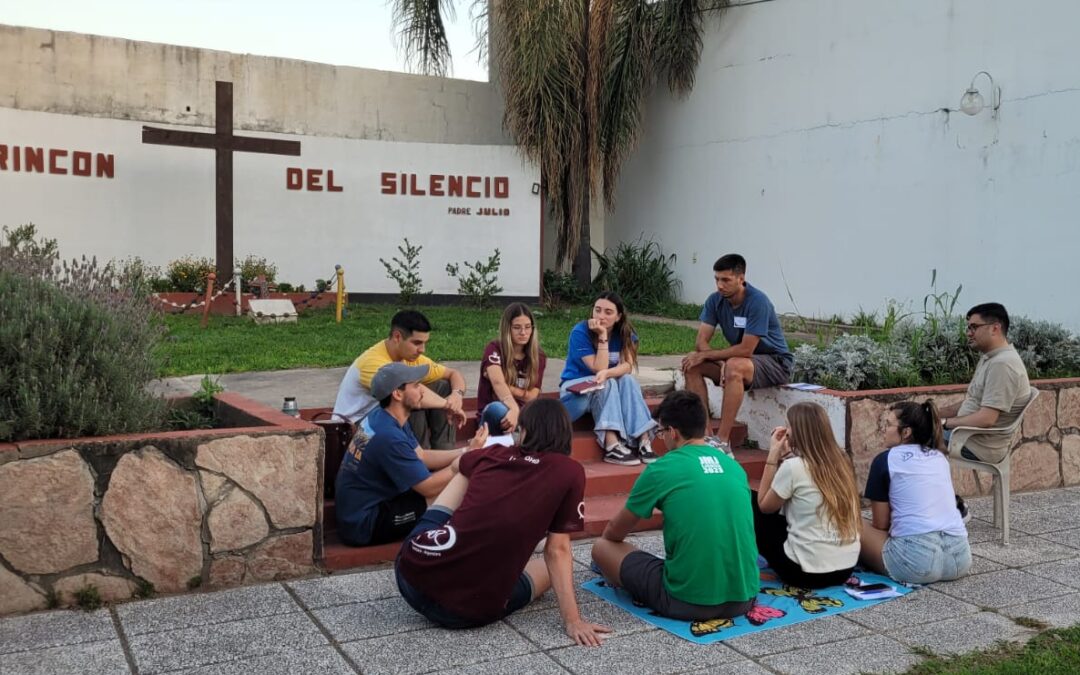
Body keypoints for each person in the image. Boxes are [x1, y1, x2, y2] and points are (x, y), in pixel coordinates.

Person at [396, 399, 610, 645]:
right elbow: (558, 550)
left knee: (468, 470)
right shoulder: (569, 471)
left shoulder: (490, 455)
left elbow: (458, 465)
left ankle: (453, 534)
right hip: (468, 611)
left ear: (525, 431)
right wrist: (573, 621)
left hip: (411, 574)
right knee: (548, 569)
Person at [591, 390, 759, 620]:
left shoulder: (662, 468)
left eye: (661, 432)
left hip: (686, 600)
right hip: (744, 597)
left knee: (602, 548)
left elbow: (614, 532)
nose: (662, 439)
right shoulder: (734, 467)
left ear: (673, 432)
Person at [335, 363, 488, 547]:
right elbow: (428, 488)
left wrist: (466, 450)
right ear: (397, 394)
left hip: (360, 511)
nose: (422, 391)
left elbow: (421, 456)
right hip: (366, 524)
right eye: (416, 386)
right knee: (456, 487)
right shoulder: (389, 437)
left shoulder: (384, 416)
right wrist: (464, 461)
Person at [681, 254, 793, 451]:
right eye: (717, 279)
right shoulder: (715, 301)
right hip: (740, 362)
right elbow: (701, 341)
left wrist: (718, 359)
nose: (720, 285)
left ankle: (723, 441)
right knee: (693, 365)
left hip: (775, 362)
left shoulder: (758, 301)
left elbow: (746, 349)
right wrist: (720, 363)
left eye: (726, 280)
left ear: (741, 279)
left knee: (734, 365)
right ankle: (704, 437)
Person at [859, 401, 972, 585]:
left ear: (906, 432)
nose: (883, 430)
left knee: (851, 521)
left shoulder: (885, 461)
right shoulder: (939, 457)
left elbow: (880, 525)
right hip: (959, 559)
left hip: (916, 564)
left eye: (888, 425)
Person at [754, 402, 861, 588]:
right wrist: (787, 455)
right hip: (845, 570)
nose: (786, 430)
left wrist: (772, 456)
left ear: (797, 432)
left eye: (788, 425)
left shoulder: (793, 467)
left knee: (752, 504)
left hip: (802, 573)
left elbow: (764, 505)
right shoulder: (843, 461)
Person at [333, 310, 467, 449]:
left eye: (424, 343)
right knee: (409, 399)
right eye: (417, 343)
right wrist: (449, 405)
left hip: (382, 417)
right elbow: (405, 394)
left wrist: (456, 395)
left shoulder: (411, 357)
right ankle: (420, 458)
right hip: (354, 428)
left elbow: (453, 374)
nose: (422, 349)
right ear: (397, 337)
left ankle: (444, 452)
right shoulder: (373, 362)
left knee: (443, 386)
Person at [559, 292, 658, 466]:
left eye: (608, 312)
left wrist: (608, 374)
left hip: (605, 386)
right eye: (597, 310)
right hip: (576, 387)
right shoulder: (580, 331)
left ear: (619, 316)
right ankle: (611, 445)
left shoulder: (626, 333)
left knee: (627, 380)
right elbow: (598, 368)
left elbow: (627, 365)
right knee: (609, 381)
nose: (601, 316)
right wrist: (602, 336)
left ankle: (644, 440)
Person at [938, 303, 1032, 463]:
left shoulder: (1003, 365)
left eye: (974, 327)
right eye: (968, 328)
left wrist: (945, 423)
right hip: (965, 436)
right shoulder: (991, 358)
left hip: (975, 444)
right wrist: (933, 414)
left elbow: (986, 419)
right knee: (909, 426)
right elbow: (973, 401)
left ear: (995, 328)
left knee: (906, 436)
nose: (969, 333)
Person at [476, 303, 547, 434]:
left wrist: (507, 386)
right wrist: (513, 407)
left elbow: (532, 396)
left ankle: (520, 439)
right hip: (497, 412)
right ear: (507, 329)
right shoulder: (494, 349)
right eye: (517, 327)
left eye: (527, 327)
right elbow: (498, 383)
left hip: (524, 414)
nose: (523, 332)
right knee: (497, 409)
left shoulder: (539, 356)